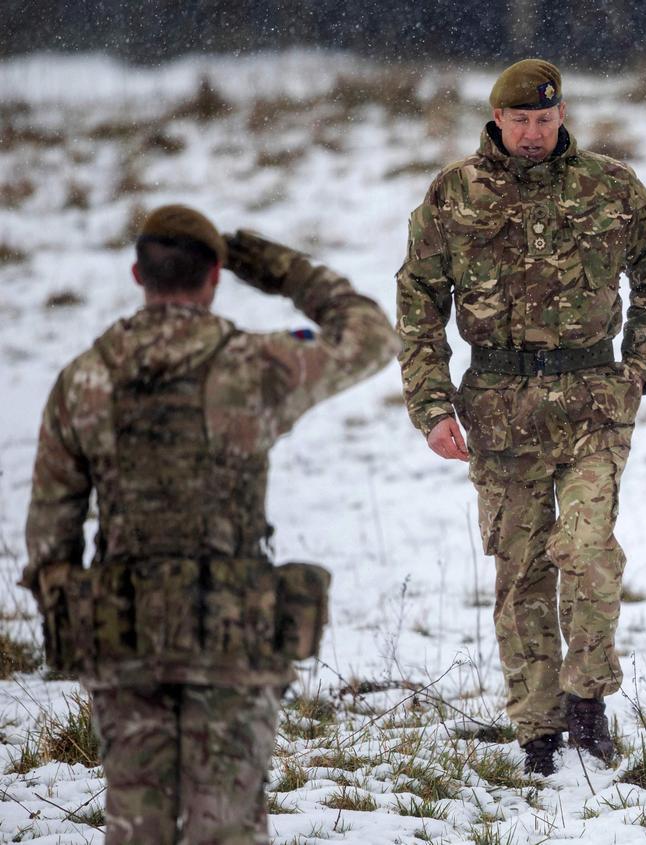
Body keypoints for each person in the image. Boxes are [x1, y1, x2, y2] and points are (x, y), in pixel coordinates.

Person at [21, 205, 400, 843]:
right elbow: (370, 335)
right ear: (216, 277)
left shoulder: (83, 379)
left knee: (136, 825)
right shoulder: (254, 366)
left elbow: (49, 533)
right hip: (232, 634)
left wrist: (86, 611)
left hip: (126, 640)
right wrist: (280, 271)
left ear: (138, 272)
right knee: (226, 825)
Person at [395, 59, 646, 776]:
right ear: (497, 119)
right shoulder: (454, 195)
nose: (532, 133)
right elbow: (418, 307)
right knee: (521, 571)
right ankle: (538, 729)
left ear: (563, 117)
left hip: (592, 399)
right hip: (498, 408)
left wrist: (640, 365)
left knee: (586, 550)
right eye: (520, 120)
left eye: (545, 120)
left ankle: (587, 698)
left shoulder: (608, 186)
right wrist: (431, 406)